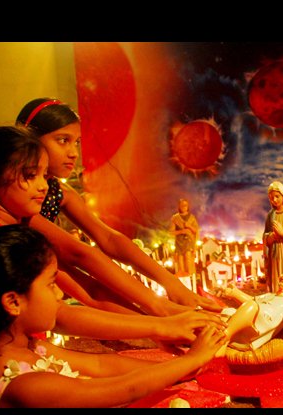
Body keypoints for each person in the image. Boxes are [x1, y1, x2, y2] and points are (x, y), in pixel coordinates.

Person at [0, 126, 224, 344]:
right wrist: (158, 321)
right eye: (30, 176)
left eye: (44, 176)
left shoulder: (23, 220)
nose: (43, 186)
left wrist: (162, 322)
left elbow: (90, 291)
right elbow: (60, 313)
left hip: (31, 351)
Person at [0, 224, 226, 407]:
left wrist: (180, 371)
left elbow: (102, 366)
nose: (59, 294)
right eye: (51, 284)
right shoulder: (23, 385)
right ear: (12, 302)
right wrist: (190, 359)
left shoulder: (26, 347)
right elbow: (123, 389)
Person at [16, 97, 221, 313]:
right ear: (29, 140)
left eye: (76, 142)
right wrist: (158, 307)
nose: (74, 153)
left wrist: (171, 284)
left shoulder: (59, 192)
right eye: (62, 140)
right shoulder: (19, 200)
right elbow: (78, 254)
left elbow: (110, 239)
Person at [215, 258, 283, 355]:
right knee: (228, 311)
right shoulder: (272, 295)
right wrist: (234, 293)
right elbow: (251, 302)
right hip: (246, 327)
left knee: (251, 306)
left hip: (255, 332)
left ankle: (222, 338)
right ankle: (221, 338)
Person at [169, 198, 199, 275]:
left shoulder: (192, 217)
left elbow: (196, 230)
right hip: (179, 242)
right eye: (182, 205)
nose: (184, 207)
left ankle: (190, 274)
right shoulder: (175, 218)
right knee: (180, 259)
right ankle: (182, 273)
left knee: (188, 256)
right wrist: (181, 231)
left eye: (185, 205)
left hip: (189, 241)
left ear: (188, 206)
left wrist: (189, 226)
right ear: (179, 206)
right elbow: (171, 232)